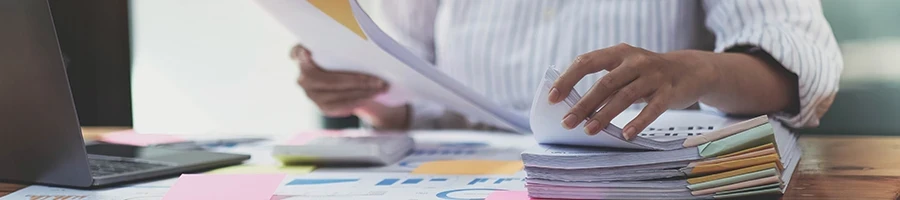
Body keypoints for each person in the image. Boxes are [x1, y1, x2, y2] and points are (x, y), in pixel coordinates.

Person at [291, 0, 842, 140]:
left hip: (635, 181)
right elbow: (419, 81)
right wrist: (363, 89)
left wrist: (691, 71)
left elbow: (804, 71)